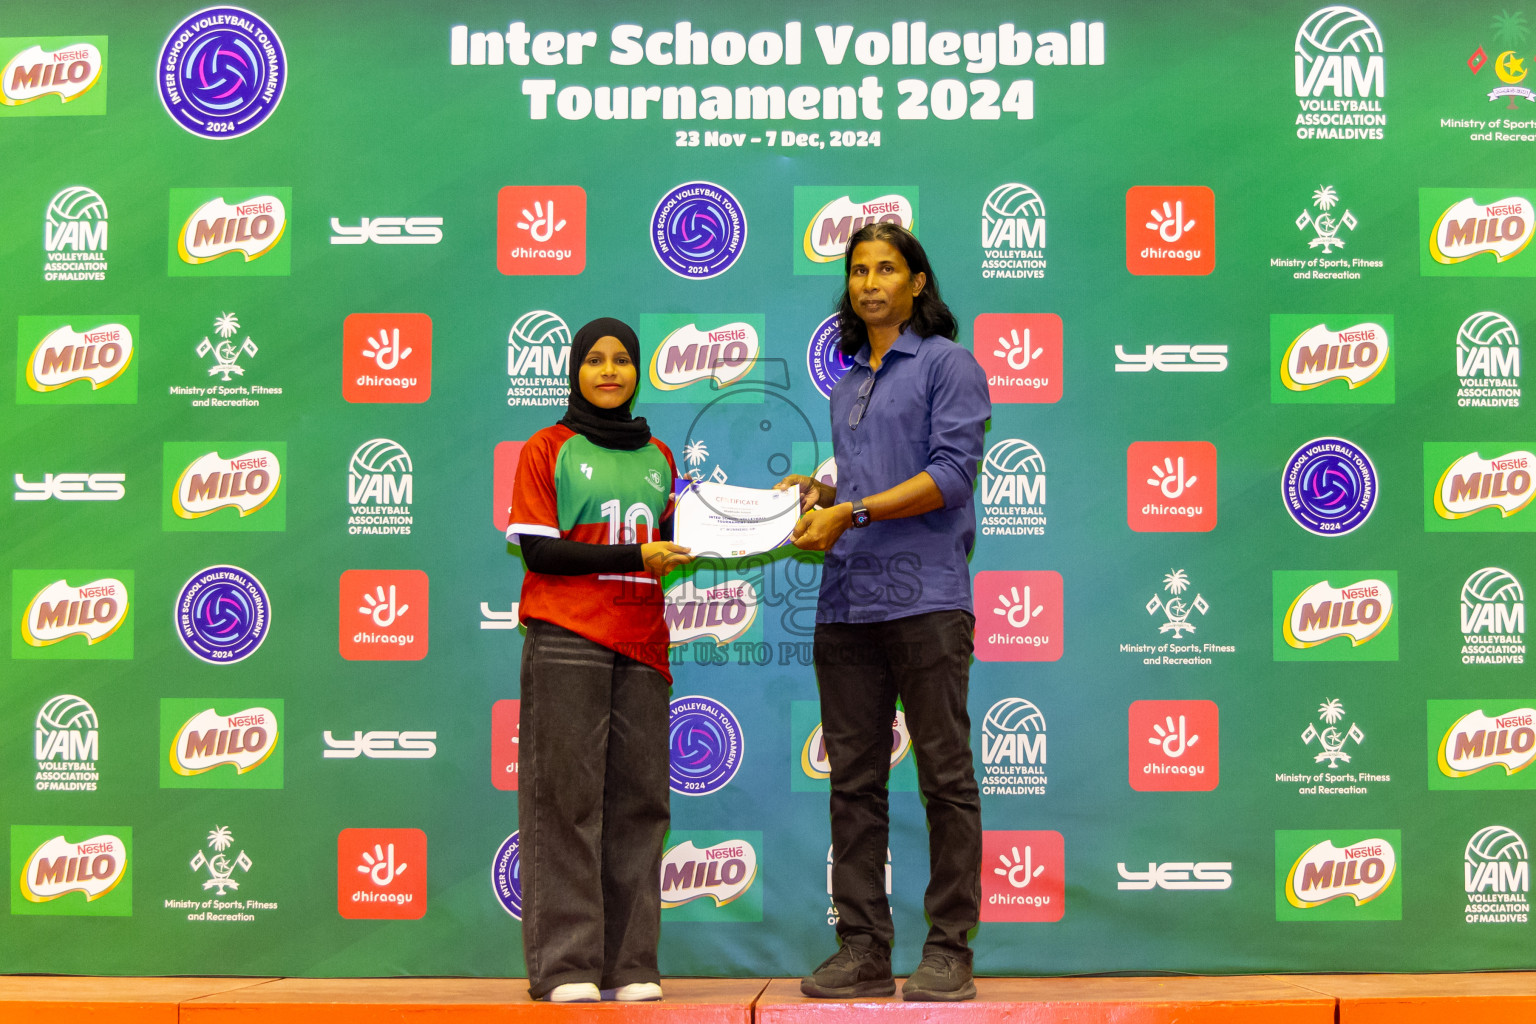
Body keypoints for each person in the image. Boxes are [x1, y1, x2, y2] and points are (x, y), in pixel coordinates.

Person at [777, 224, 990, 1002]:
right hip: (846, 603)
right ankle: (864, 950)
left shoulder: (947, 365)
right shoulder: (845, 383)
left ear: (919, 282)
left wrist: (853, 512)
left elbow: (948, 477)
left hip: (927, 599)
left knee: (945, 777)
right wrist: (823, 498)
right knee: (855, 784)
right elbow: (867, 487)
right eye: (859, 270)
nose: (871, 282)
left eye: (887, 269)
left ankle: (949, 949)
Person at [506, 317, 693, 1003]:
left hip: (643, 642)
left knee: (641, 806)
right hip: (567, 637)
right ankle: (566, 967)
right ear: (574, 370)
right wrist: (632, 556)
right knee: (567, 806)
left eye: (622, 360)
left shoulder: (661, 457)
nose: (609, 371)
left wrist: (760, 514)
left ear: (638, 372)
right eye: (594, 360)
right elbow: (539, 552)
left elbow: (681, 537)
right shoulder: (546, 448)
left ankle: (631, 964)